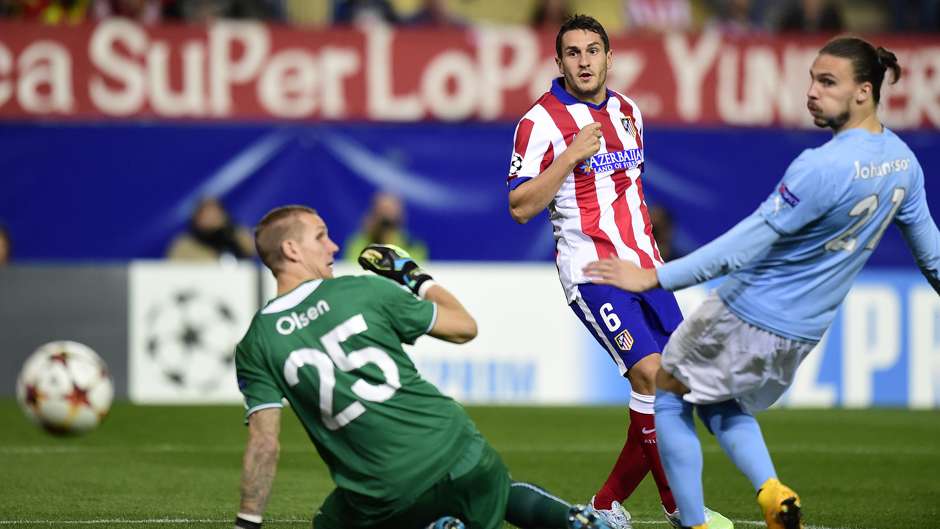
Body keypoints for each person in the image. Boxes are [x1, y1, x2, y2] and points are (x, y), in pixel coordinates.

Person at [583, 37, 940, 529]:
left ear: (864, 92)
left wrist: (654, 276)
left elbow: (742, 246)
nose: (812, 92)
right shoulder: (904, 165)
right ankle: (773, 492)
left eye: (827, 82)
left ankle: (693, 522)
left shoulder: (819, 167)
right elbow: (935, 260)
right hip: (803, 334)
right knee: (717, 402)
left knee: (666, 394)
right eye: (812, 78)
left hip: (747, 311)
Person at [232, 204, 614, 529]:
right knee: (494, 487)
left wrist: (248, 522)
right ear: (291, 249)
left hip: (386, 491)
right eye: (321, 236)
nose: (333, 245)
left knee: (332, 521)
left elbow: (264, 443)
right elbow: (464, 326)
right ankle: (573, 520)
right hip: (465, 454)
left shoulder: (258, 342)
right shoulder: (365, 290)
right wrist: (410, 275)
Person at [506, 14, 731, 529]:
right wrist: (567, 158)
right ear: (558, 61)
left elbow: (629, 192)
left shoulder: (629, 111)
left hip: (647, 271)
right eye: (573, 53)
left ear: (610, 57)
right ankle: (683, 511)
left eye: (593, 51)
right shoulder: (538, 123)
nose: (584, 61)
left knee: (670, 386)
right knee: (650, 375)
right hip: (593, 273)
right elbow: (519, 206)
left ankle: (606, 505)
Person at [342, 192, 428, 263]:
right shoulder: (358, 243)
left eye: (390, 210)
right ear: (373, 214)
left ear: (400, 215)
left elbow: (414, 272)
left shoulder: (413, 246)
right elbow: (353, 269)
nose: (386, 215)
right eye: (382, 209)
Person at [167, 197, 255, 262]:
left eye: (215, 212)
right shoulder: (184, 244)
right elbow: (175, 272)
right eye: (206, 213)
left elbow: (252, 250)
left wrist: (231, 229)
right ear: (197, 217)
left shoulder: (235, 235)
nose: (211, 218)